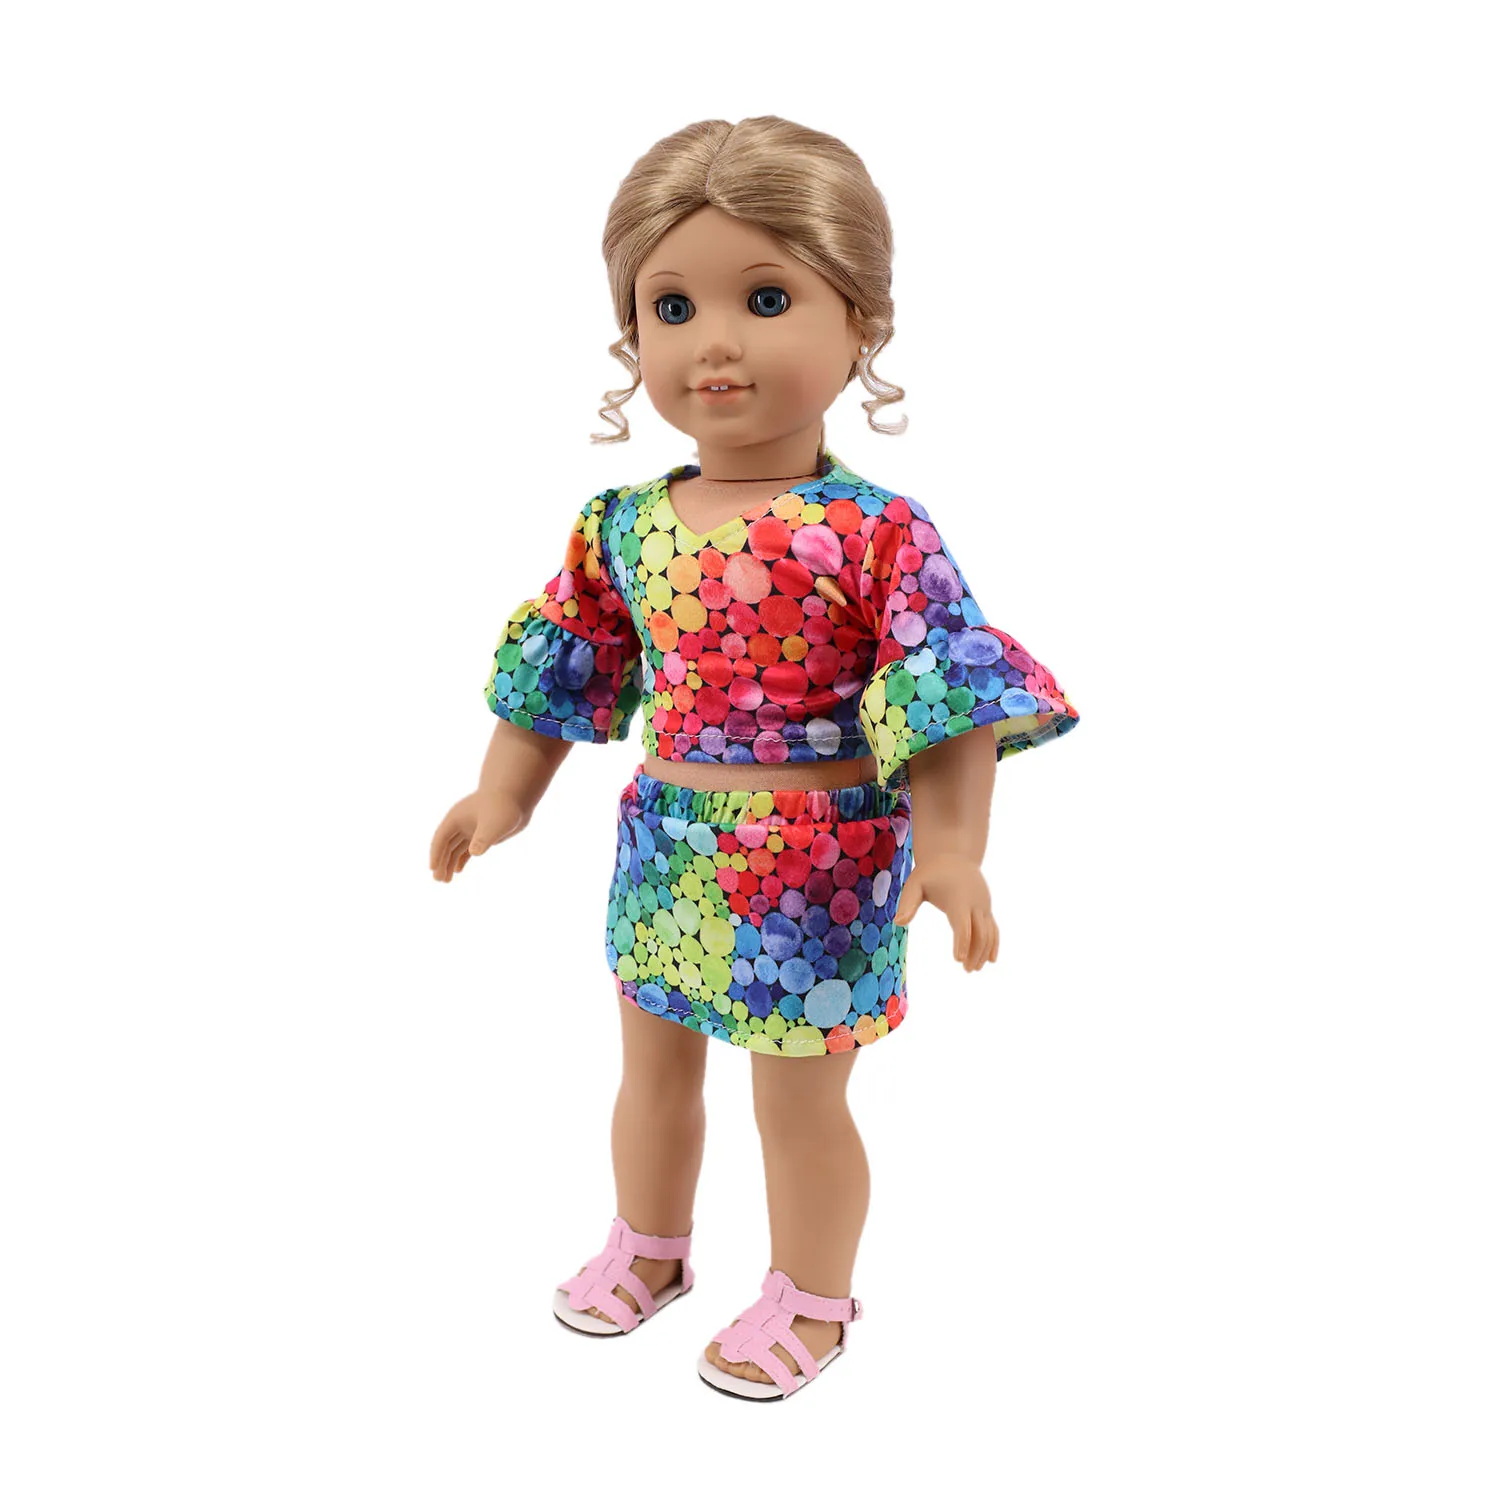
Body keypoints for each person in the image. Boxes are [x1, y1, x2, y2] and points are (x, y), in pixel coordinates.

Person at [429, 115, 1079, 1402]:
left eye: (766, 299)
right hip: (668, 847)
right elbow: (571, 657)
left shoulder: (876, 532)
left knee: (799, 1103)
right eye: (671, 307)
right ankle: (651, 1245)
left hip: (821, 868)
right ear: (632, 335)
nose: (713, 342)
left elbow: (942, 690)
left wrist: (954, 850)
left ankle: (814, 1301)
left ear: (860, 323)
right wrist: (504, 791)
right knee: (652, 1070)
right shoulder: (620, 524)